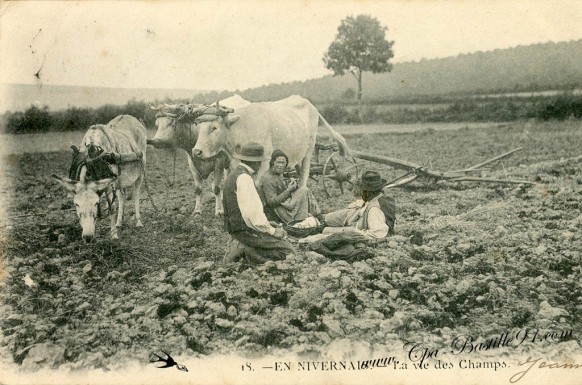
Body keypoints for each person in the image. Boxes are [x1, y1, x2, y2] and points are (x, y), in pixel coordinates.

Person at [222, 142, 295, 264]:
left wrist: (267, 223)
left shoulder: (234, 174)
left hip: (238, 229)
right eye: (261, 162)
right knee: (288, 250)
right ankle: (244, 249)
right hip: (245, 232)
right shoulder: (245, 179)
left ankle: (245, 248)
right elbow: (251, 213)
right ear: (257, 163)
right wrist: (272, 231)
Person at [322, 170, 395, 240]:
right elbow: (361, 204)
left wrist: (352, 232)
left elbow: (377, 234)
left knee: (325, 231)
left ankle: (321, 225)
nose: (360, 192)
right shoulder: (377, 198)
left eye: (362, 190)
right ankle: (323, 220)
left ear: (368, 192)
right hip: (359, 218)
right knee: (328, 218)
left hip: (359, 229)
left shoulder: (374, 210)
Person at [259, 149, 322, 224]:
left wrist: (293, 185)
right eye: (278, 162)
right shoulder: (268, 178)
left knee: (304, 190)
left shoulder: (277, 174)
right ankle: (304, 219)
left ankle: (316, 215)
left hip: (284, 203)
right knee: (304, 191)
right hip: (276, 211)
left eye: (283, 163)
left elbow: (281, 188)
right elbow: (271, 202)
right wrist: (288, 190)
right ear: (273, 162)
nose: (280, 165)